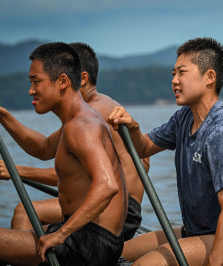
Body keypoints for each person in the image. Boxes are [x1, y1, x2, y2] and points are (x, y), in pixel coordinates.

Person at [108, 37, 223, 266]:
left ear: (210, 77)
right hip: (196, 232)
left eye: (181, 73)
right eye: (173, 73)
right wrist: (133, 126)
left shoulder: (222, 132)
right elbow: (143, 147)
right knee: (116, 252)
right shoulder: (183, 117)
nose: (174, 81)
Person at [0, 42, 149, 241]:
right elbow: (44, 148)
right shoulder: (86, 114)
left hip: (115, 210)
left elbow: (76, 175)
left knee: (24, 212)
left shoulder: (94, 114)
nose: (31, 90)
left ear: (77, 78)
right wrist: (4, 116)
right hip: (110, 205)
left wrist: (17, 171)